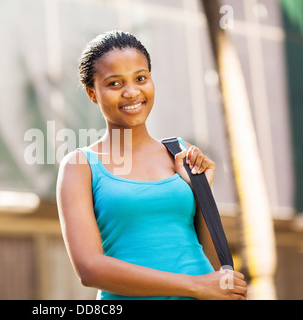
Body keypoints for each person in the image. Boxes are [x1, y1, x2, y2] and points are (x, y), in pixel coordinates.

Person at [56, 30, 247, 300]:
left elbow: (214, 260)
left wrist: (200, 189)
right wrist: (194, 286)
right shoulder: (80, 165)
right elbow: (90, 269)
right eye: (114, 83)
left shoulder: (179, 152)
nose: (132, 92)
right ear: (92, 94)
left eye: (140, 78)